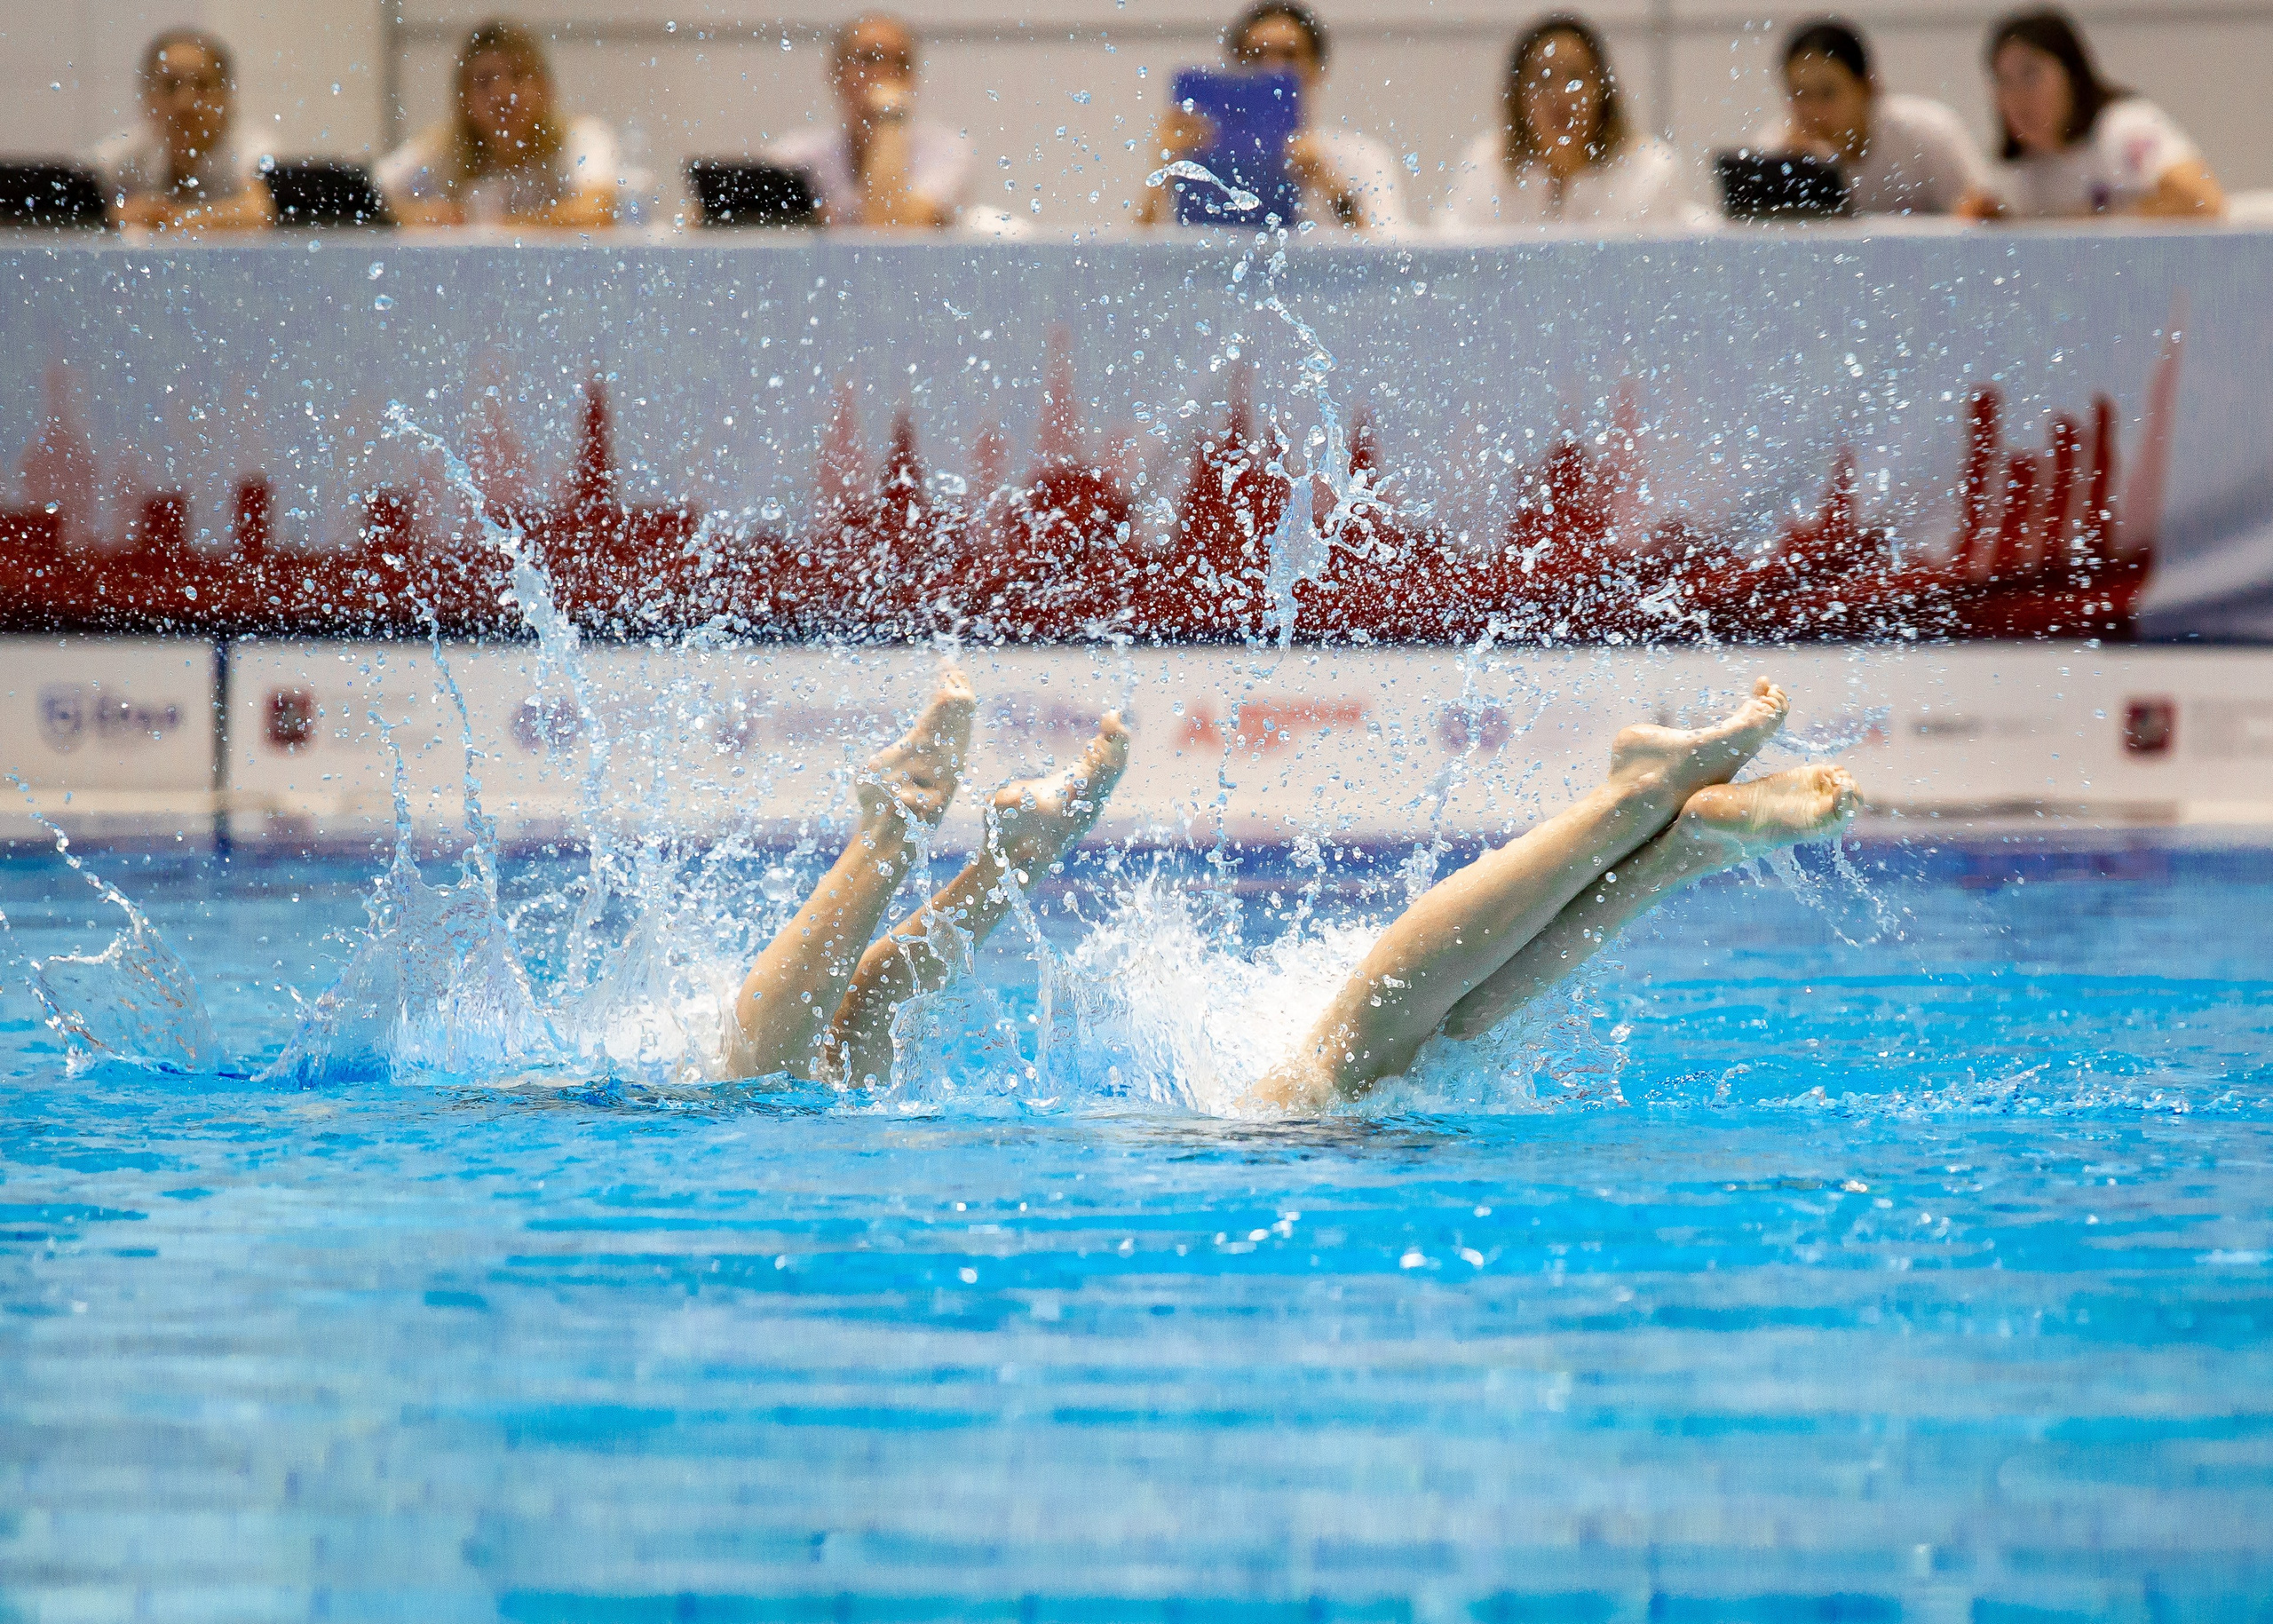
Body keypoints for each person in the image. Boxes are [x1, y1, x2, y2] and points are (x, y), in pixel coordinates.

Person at [729, 670, 1859, 1113]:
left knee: (1351, 1068)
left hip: (1172, 1127)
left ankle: (1633, 806)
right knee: (1422, 1047)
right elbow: (864, 1008)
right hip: (1163, 1110)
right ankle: (1667, 847)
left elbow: (800, 1056)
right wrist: (1008, 870)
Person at [1138, 2, 1406, 232]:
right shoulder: (1195, 156)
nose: (1272, 67)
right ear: (1236, 68)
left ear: (1317, 69)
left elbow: (1389, 259)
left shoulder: (1360, 159)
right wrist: (1162, 171)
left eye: (1289, 55)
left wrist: (1329, 184)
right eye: (1256, 55)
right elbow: (1137, 258)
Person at [1439, 15, 1684, 230]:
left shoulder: (1648, 171)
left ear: (1602, 92)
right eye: (1543, 80)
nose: (1560, 95)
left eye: (1576, 78)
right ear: (1518, 97)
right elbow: (1454, 256)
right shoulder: (1486, 166)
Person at [374, 20, 619, 229]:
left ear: (545, 89)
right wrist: (419, 215)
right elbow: (368, 194)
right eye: (484, 81)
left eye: (518, 76)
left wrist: (498, 227)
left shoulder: (580, 139)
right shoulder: (443, 149)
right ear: (463, 99)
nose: (502, 95)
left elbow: (597, 212)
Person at [1984, 9, 2223, 220]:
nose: (2016, 97)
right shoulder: (2018, 173)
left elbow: (2201, 199)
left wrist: (2094, 227)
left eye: (2030, 75)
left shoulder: (2123, 126)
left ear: (2072, 76)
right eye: (2003, 81)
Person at [1748, 18, 1997, 218]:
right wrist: (1793, 182)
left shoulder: (1928, 135)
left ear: (1868, 88)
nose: (1812, 110)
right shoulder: (1776, 154)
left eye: (1827, 93)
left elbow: (1983, 215)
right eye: (1799, 94)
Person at [764, 14, 973, 229]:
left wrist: (891, 119)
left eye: (900, 63)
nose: (885, 74)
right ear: (836, 73)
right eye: (869, 59)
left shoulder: (945, 151)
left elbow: (892, 231)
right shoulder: (799, 156)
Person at [88, 29, 274, 232]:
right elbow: (78, 205)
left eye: (202, 86)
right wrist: (114, 214)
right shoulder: (126, 154)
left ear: (226, 98)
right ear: (148, 98)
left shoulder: (251, 148)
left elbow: (261, 213)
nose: (185, 102)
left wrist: (173, 218)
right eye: (170, 86)